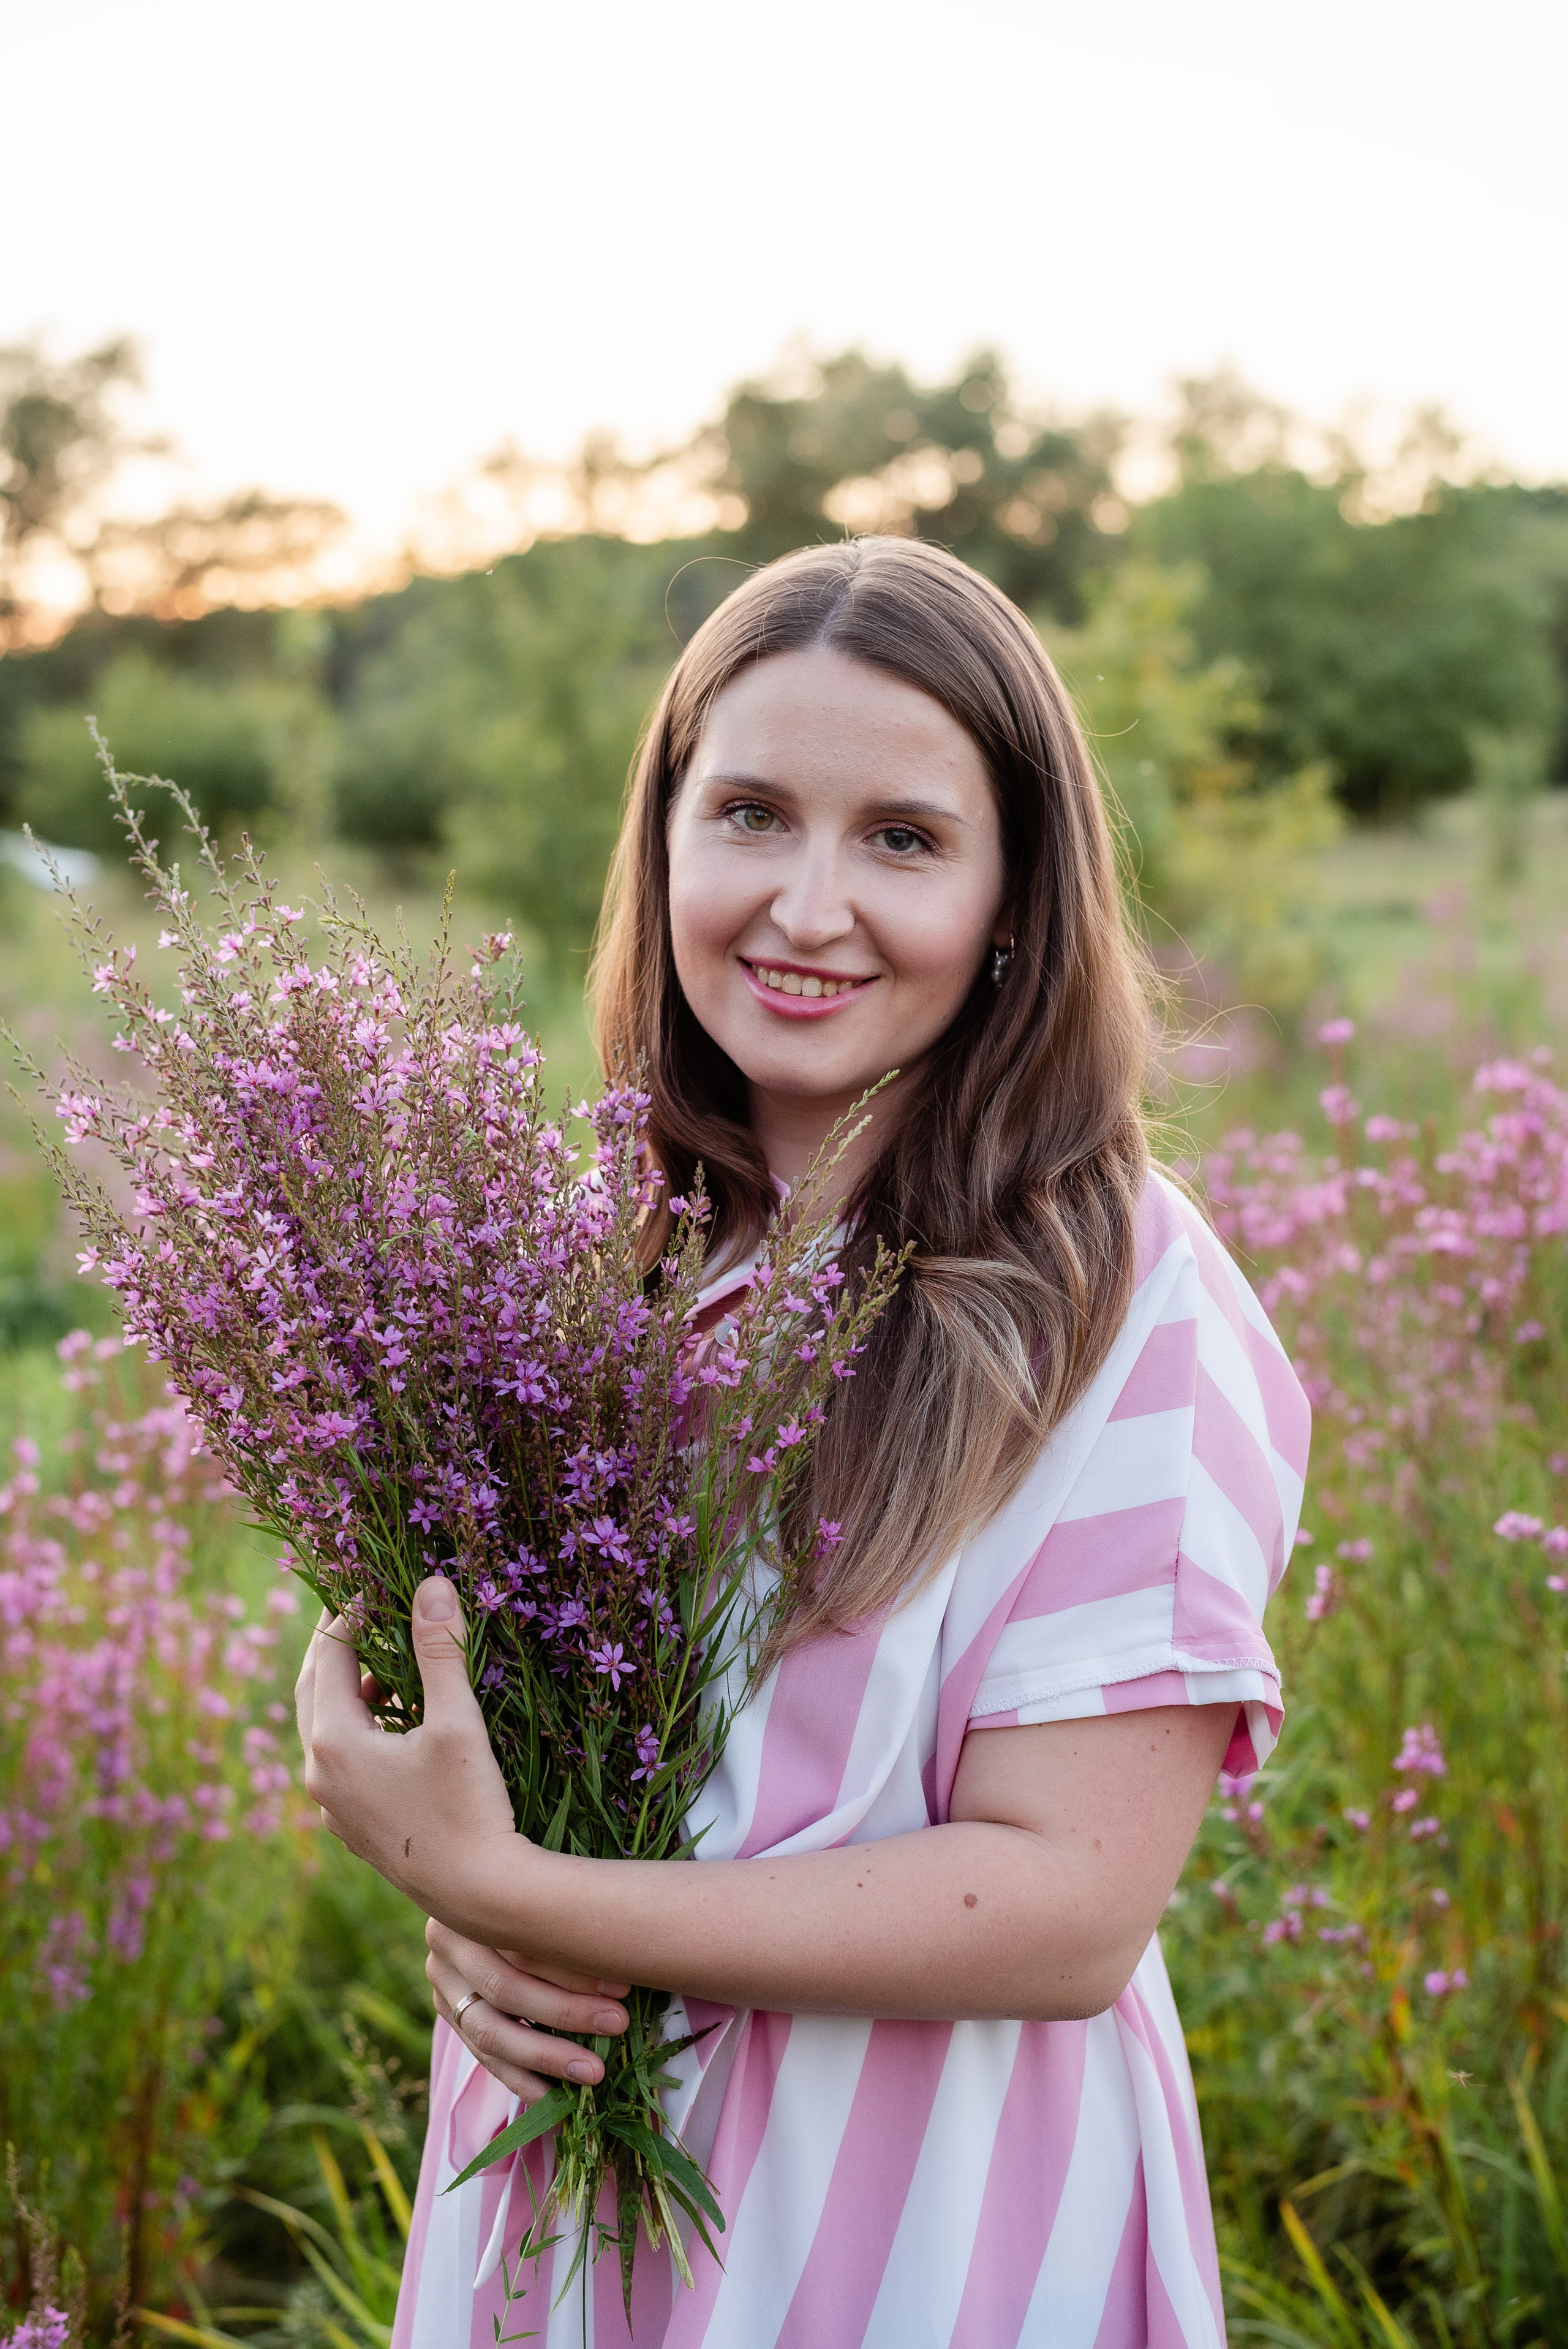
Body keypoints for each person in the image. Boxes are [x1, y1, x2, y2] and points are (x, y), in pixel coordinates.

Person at [296, 537, 1308, 2348]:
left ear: (1016, 895)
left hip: (920, 2217)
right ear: (667, 840)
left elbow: (1067, 1907)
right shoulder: (609, 1259)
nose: (809, 904)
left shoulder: (1122, 1291)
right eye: (751, 812)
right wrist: (492, 1926)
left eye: (903, 838)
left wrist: (516, 1889)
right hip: (578, 2198)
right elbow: (562, 1756)